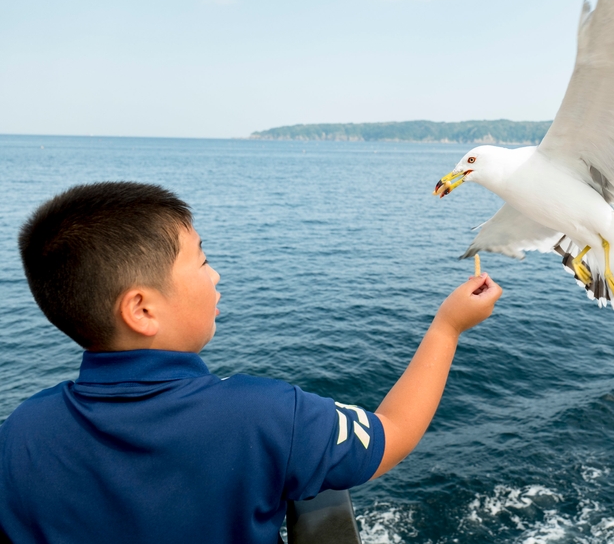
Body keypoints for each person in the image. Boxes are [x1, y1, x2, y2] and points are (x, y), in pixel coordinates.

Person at [0, 181, 502, 544]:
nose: (215, 275)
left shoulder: (21, 433)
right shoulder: (266, 415)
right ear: (142, 309)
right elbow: (392, 433)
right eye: (201, 259)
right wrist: (447, 328)